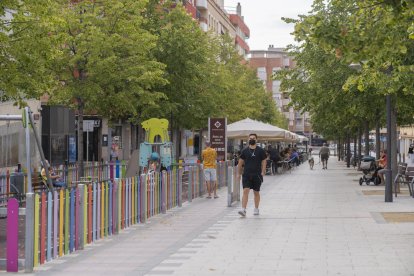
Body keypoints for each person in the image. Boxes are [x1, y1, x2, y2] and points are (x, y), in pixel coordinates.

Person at [237, 134, 267, 217]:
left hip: (257, 174)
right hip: (246, 174)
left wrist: (263, 170)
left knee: (256, 192)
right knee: (245, 191)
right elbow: (240, 163)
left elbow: (264, 160)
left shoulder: (260, 150)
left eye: (253, 138)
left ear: (256, 140)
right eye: (250, 138)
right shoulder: (245, 150)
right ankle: (243, 209)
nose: (252, 139)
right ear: (248, 139)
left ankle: (256, 208)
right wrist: (238, 173)